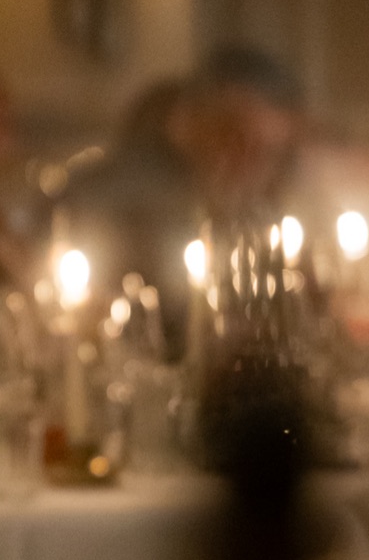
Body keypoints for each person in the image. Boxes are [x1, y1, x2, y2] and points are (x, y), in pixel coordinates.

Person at [63, 44, 304, 345]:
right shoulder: (117, 199)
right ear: (185, 123)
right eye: (235, 136)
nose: (250, 162)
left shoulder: (264, 204)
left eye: (269, 152)